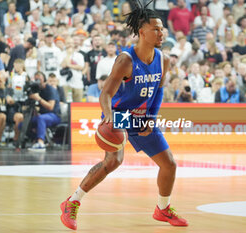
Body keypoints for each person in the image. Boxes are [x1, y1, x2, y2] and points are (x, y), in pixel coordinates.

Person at [60, 1, 188, 230]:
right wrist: (109, 116)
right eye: (155, 29)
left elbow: (158, 92)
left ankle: (163, 208)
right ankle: (72, 202)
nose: (161, 33)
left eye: (162, 28)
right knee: (113, 162)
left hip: (141, 116)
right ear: (142, 32)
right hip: (119, 115)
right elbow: (105, 94)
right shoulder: (126, 60)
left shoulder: (163, 59)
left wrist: (151, 118)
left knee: (169, 164)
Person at [27, 71, 61, 152]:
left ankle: (40, 143)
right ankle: (35, 139)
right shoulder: (35, 90)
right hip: (41, 116)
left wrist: (38, 98)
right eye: (36, 79)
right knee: (23, 124)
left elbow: (50, 107)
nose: (37, 80)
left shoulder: (50, 89)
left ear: (44, 80)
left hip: (54, 115)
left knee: (41, 118)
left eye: (39, 79)